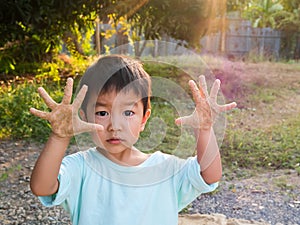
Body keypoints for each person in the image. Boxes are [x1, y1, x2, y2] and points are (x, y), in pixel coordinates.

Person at [29, 55, 237, 225]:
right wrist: (59, 136)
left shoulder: (164, 168)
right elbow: (42, 187)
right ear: (83, 116)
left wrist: (205, 128)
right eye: (102, 113)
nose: (115, 125)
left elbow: (210, 175)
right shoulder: (81, 167)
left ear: (144, 119)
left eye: (128, 112)